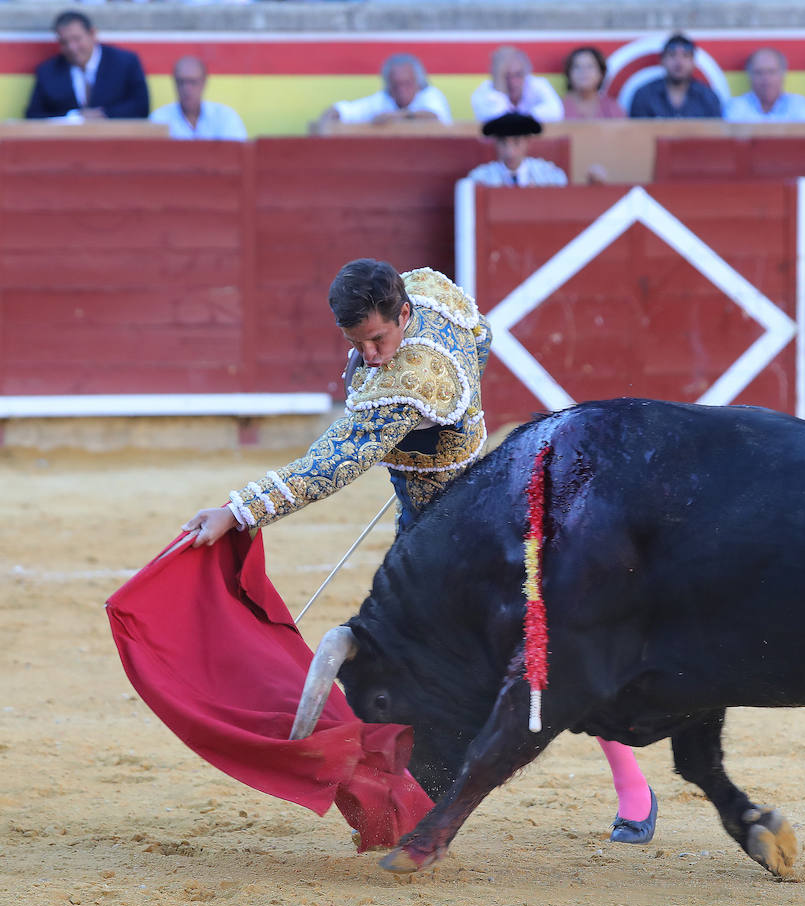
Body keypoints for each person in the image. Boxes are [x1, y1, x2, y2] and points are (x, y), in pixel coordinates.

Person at [181, 259, 657, 844]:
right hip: (433, 521)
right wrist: (452, 433)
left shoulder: (414, 382)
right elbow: (480, 335)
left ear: (403, 314)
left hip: (471, 536)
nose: (372, 355)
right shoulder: (429, 290)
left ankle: (632, 787)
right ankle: (414, 789)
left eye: (379, 339)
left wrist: (240, 509)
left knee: (546, 648)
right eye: (358, 344)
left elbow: (334, 463)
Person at [25, 10, 149, 121]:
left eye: (76, 39)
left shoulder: (125, 62)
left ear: (93, 34)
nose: (71, 48)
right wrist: (73, 116)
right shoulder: (48, 71)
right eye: (64, 42)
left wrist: (104, 115)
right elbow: (33, 115)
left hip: (116, 141)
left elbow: (141, 106)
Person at [319, 53, 451, 127]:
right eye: (396, 85)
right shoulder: (382, 100)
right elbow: (343, 111)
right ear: (388, 85)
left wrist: (399, 116)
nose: (402, 90)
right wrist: (328, 118)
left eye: (407, 83)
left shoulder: (430, 95)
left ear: (418, 82)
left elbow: (434, 116)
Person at [149, 56, 248, 141]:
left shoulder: (225, 117)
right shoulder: (159, 119)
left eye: (193, 82)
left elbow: (237, 155)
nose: (187, 89)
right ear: (174, 83)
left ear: (204, 82)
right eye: (181, 82)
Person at [627, 33, 722, 119]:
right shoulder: (644, 95)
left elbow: (715, 134)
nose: (679, 62)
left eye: (685, 55)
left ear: (693, 62)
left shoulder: (708, 97)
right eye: (672, 55)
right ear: (662, 60)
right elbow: (637, 135)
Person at [464, 112, 570, 187]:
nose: (510, 152)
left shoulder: (548, 174)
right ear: (495, 144)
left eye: (517, 143)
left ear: (527, 142)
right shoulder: (481, 177)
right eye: (503, 143)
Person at [471, 46, 564, 124]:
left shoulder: (538, 84)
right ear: (496, 76)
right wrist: (499, 89)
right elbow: (495, 120)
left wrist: (521, 118)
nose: (512, 82)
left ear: (527, 73)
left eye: (518, 74)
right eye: (505, 76)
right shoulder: (483, 91)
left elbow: (556, 112)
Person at [724, 48, 805, 122]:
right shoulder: (736, 106)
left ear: (783, 74)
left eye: (771, 72)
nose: (766, 78)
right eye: (759, 72)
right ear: (749, 75)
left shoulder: (799, 105)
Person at [561, 46, 624, 120]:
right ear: (569, 73)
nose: (584, 72)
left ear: (601, 73)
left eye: (590, 66)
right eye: (577, 67)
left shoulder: (612, 108)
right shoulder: (557, 107)